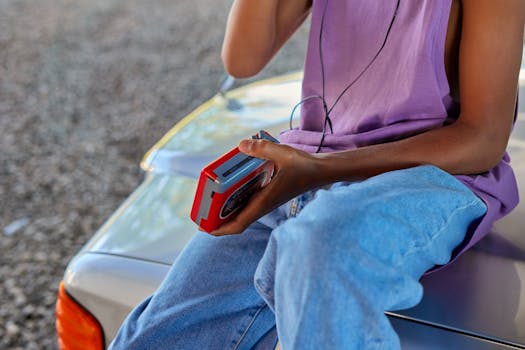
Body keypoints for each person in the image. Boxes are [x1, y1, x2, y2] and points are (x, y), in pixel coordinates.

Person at [109, 0, 524, 349]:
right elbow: (242, 58)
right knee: (155, 333)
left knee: (321, 247)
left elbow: (481, 138)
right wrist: (313, 170)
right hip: (309, 163)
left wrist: (319, 170)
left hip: (431, 175)